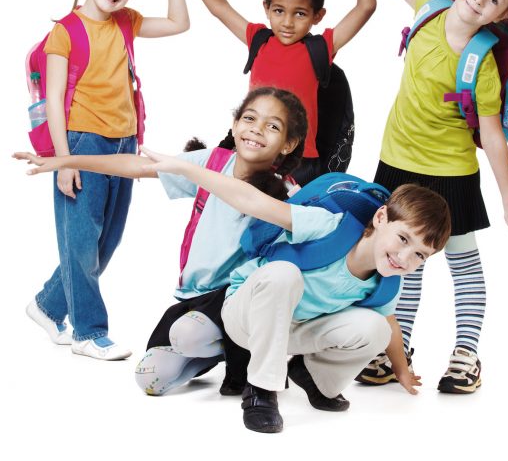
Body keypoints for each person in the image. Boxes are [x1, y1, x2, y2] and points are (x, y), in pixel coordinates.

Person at [348, 0, 508, 393]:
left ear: (503, 14)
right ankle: (399, 348)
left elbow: (492, 135)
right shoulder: (432, 8)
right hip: (396, 164)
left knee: (462, 262)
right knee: (403, 259)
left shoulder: (483, 66)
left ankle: (466, 355)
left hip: (449, 175)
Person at [121, 148, 451, 433]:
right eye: (403, 239)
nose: (404, 258)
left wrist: (402, 371)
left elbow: (389, 325)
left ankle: (314, 376)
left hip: (290, 332)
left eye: (420, 255)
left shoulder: (386, 281)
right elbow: (252, 200)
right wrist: (185, 169)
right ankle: (261, 389)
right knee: (283, 274)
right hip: (245, 314)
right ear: (380, 218)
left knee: (376, 328)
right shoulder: (329, 226)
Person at [15, 87, 307, 389]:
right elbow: (138, 166)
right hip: (194, 296)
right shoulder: (214, 162)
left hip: (235, 298)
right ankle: (212, 352)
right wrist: (67, 160)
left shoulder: (286, 193)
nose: (257, 129)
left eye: (273, 126)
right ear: (234, 125)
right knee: (150, 378)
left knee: (188, 335)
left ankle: (238, 345)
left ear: (288, 144)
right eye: (250, 118)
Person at [24, 0, 190, 361]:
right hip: (83, 142)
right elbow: (55, 101)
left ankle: (48, 307)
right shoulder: (64, 32)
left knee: (106, 242)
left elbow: (179, 23)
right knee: (81, 242)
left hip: (124, 143)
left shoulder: (126, 21)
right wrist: (64, 161)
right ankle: (88, 332)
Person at [156, 0, 376, 184]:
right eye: (279, 11)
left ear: (317, 16)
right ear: (266, 8)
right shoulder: (259, 40)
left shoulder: (320, 48)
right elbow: (219, 7)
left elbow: (366, 6)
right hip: (251, 151)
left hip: (296, 163)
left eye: (300, 14)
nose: (287, 23)